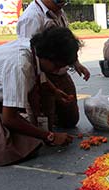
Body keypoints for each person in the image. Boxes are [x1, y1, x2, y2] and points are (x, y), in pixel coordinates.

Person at [0, 27, 80, 166]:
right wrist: (50, 136)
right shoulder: (19, 65)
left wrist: (55, 91)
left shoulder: (34, 49)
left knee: (30, 142)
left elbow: (39, 74)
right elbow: (9, 119)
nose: (57, 70)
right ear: (46, 56)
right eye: (57, 65)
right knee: (2, 149)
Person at [16, 0, 91, 130]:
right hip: (43, 72)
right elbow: (30, 55)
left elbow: (66, 42)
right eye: (58, 0)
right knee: (44, 122)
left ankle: (54, 117)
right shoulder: (31, 17)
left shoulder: (59, 12)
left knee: (71, 120)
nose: (62, 4)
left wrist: (75, 62)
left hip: (59, 69)